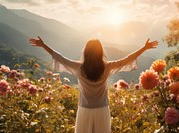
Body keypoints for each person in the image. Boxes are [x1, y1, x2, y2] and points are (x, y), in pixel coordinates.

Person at [29, 36, 158, 133]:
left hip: (84, 109)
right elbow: (128, 59)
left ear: (86, 52)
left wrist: (43, 45)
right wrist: (144, 48)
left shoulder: (78, 67)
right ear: (101, 52)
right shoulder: (107, 67)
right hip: (102, 109)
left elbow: (59, 57)